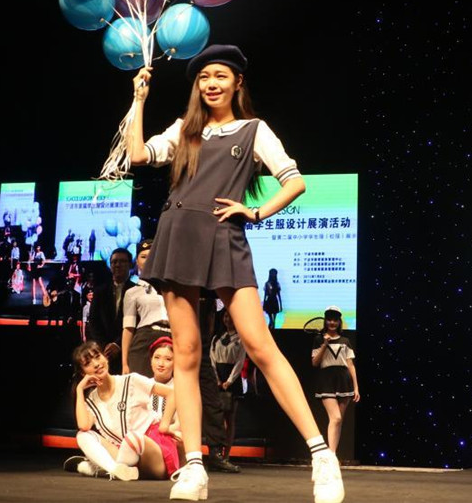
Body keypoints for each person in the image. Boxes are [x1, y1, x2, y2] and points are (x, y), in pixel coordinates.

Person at [128, 44, 345, 503]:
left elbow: (295, 181)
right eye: (204, 76)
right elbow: (138, 155)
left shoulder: (253, 129)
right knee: (187, 353)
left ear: (237, 82)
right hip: (177, 233)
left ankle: (322, 455)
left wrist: (256, 212)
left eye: (220, 76)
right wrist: (139, 99)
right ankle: (193, 467)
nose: (211, 84)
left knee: (260, 345)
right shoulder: (185, 130)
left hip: (223, 237)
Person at [62, 340, 181, 481]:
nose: (96, 364)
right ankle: (115, 470)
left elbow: (172, 393)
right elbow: (83, 426)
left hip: (151, 451)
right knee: (83, 435)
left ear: (105, 358)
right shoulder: (92, 401)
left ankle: (100, 469)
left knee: (132, 438)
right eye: (88, 363)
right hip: (125, 454)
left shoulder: (131, 381)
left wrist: (164, 425)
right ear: (83, 373)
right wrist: (79, 389)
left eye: (98, 357)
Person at [311, 306, 360, 454]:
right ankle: (331, 455)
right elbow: (315, 363)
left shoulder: (345, 341)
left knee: (338, 421)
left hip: (344, 381)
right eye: (329, 319)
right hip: (326, 381)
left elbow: (350, 365)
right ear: (325, 321)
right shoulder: (319, 339)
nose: (332, 322)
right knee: (336, 418)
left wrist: (356, 387)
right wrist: (324, 345)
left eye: (335, 320)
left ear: (339, 322)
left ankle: (332, 454)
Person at [122, 239, 171, 377]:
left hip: (172, 337)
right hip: (145, 338)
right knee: (141, 386)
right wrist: (124, 363)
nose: (148, 260)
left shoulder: (171, 288)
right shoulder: (132, 292)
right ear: (137, 261)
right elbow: (128, 328)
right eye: (143, 257)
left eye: (152, 256)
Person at [86, 249, 136, 372]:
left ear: (130, 265)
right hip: (103, 353)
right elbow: (93, 322)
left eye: (122, 261)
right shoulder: (100, 291)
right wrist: (105, 346)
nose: (118, 265)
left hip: (128, 353)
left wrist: (117, 345)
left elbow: (137, 323)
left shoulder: (137, 291)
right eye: (114, 262)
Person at [210, 307, 247, 461]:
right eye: (226, 316)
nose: (228, 319)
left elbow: (240, 361)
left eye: (231, 316)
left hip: (232, 380)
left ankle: (227, 454)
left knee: (229, 418)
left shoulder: (240, 339)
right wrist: (217, 379)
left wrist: (229, 381)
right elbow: (212, 359)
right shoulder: (217, 338)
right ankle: (217, 451)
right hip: (218, 378)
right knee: (217, 418)